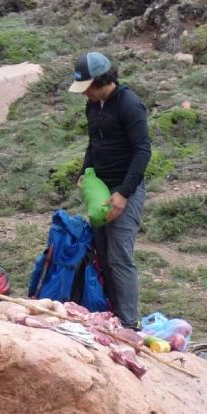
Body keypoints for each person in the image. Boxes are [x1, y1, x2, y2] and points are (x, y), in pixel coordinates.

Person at [70, 51, 151, 330]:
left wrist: (124, 193)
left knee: (120, 256)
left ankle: (129, 324)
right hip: (100, 187)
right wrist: (85, 171)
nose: (84, 95)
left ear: (101, 81)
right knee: (103, 254)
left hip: (125, 188)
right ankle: (112, 315)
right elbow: (94, 143)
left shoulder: (129, 105)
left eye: (86, 88)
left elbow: (143, 151)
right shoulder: (93, 106)